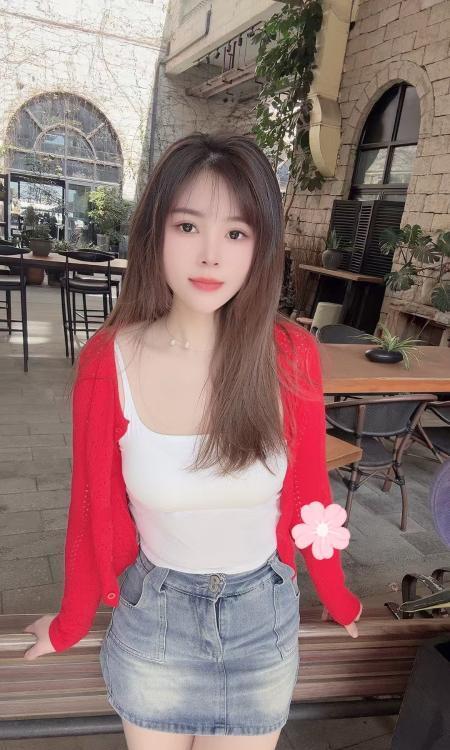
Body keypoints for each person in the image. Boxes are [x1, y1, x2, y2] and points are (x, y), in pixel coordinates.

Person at [22, 132, 362, 749]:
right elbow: (89, 507)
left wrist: (337, 596)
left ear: (262, 246)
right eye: (187, 227)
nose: (210, 256)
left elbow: (312, 494)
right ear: (154, 233)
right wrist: (70, 621)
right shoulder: (108, 362)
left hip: (262, 624)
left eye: (236, 233)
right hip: (155, 622)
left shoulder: (291, 355)